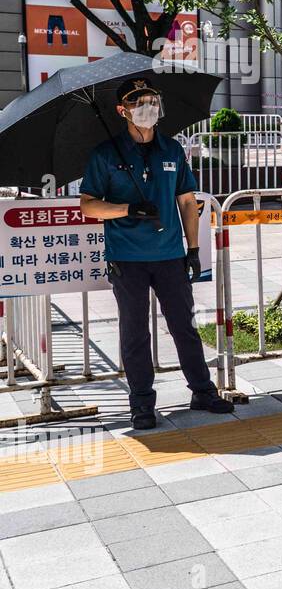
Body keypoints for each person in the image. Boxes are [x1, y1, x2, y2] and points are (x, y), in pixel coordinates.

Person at [79, 77, 231, 429]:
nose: (148, 106)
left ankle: (202, 391)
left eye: (152, 99)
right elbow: (88, 206)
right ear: (123, 110)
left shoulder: (172, 150)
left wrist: (193, 250)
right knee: (134, 332)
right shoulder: (105, 154)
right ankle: (142, 403)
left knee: (184, 325)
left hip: (169, 256)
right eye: (138, 101)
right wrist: (127, 210)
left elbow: (188, 202)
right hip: (127, 258)